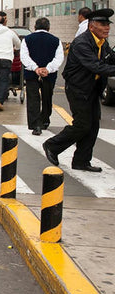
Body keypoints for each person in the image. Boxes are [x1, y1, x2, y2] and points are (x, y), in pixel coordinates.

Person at [43, 9, 115, 173]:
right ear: (91, 26)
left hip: (93, 89)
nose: (107, 28)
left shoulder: (102, 43)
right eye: (103, 24)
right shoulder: (82, 43)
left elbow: (110, 58)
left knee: (93, 125)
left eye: (107, 24)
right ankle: (53, 145)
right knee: (82, 124)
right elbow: (95, 66)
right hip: (78, 89)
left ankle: (81, 161)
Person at [21, 18, 64, 135]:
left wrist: (35, 68)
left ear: (35, 27)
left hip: (31, 73)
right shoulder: (56, 40)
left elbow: (24, 56)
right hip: (49, 75)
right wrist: (48, 69)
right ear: (48, 28)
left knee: (33, 99)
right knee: (47, 97)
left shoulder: (27, 39)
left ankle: (35, 125)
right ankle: (44, 121)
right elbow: (59, 58)